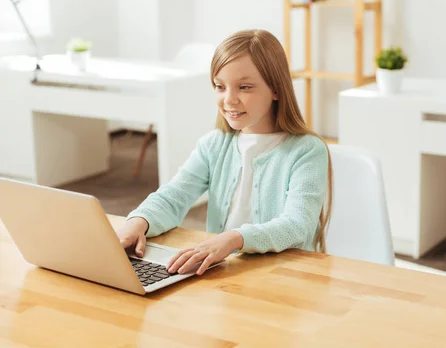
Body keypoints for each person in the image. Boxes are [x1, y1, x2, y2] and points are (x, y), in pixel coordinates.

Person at [116, 29, 332, 276]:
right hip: (226, 274)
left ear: (276, 89)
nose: (229, 100)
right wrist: (138, 222)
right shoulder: (214, 145)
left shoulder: (306, 151)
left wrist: (233, 239)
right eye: (220, 86)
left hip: (285, 276)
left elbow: (297, 225)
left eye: (244, 87)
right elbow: (173, 195)